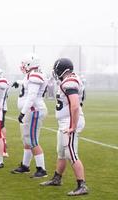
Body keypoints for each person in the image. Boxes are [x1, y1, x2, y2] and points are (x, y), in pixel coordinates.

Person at [40, 58, 89, 196]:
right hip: (65, 121)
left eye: (56, 69)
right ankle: (57, 178)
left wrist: (72, 126)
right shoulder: (70, 80)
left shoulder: (70, 82)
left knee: (71, 153)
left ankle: (82, 185)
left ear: (62, 70)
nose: (55, 72)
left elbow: (74, 105)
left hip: (70, 122)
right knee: (61, 152)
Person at [10, 54, 48, 178]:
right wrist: (18, 82)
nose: (22, 66)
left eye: (24, 64)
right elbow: (27, 84)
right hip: (31, 111)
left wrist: (23, 112)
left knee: (32, 140)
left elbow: (32, 95)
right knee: (26, 140)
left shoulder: (34, 76)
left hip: (33, 111)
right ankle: (25, 166)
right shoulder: (30, 76)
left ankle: (41, 169)